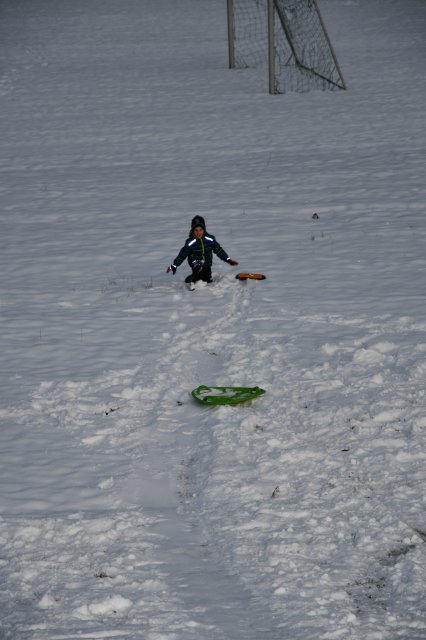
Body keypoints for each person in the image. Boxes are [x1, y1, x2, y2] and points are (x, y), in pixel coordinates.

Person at [166, 215, 239, 287]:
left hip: (207, 263)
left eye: (200, 230)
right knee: (198, 276)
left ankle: (201, 278)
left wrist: (228, 260)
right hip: (195, 263)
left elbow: (219, 250)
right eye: (196, 230)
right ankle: (194, 280)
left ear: (204, 230)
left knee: (207, 279)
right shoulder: (191, 242)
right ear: (192, 231)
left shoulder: (210, 239)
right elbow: (182, 255)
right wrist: (174, 265)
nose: (198, 232)